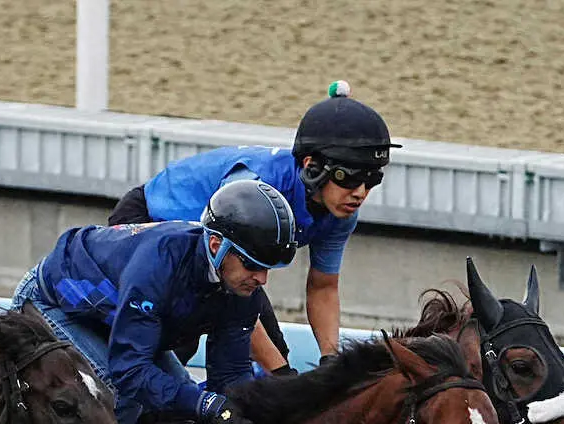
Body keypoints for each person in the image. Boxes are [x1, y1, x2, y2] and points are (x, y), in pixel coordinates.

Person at [108, 81, 396, 374]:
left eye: (372, 179)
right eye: (347, 177)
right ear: (311, 166)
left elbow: (323, 287)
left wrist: (332, 363)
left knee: (274, 352)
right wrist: (280, 372)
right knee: (182, 338)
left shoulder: (342, 212)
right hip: (146, 221)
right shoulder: (255, 186)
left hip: (216, 253)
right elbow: (228, 282)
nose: (360, 192)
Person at [15, 178, 297, 424]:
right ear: (216, 245)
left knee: (178, 404)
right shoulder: (159, 266)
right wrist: (202, 403)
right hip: (51, 303)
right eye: (252, 265)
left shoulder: (241, 288)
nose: (262, 279)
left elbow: (230, 375)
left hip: (111, 318)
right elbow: (130, 371)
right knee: (120, 397)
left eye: (267, 268)